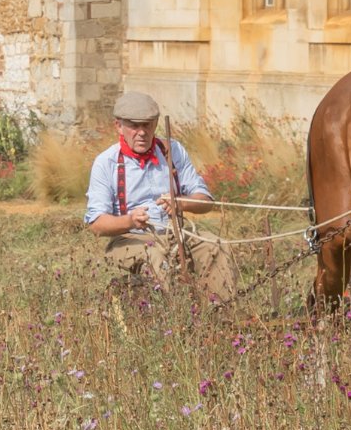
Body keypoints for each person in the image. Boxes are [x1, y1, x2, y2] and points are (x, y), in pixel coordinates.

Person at [85, 91, 238, 303]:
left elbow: (206, 202)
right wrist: (130, 220)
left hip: (175, 230)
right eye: (134, 126)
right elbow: (97, 225)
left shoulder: (172, 151)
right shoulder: (106, 163)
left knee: (216, 246)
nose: (141, 132)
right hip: (130, 238)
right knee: (155, 258)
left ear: (156, 124)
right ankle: (175, 320)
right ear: (118, 126)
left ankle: (222, 316)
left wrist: (181, 203)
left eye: (147, 125)